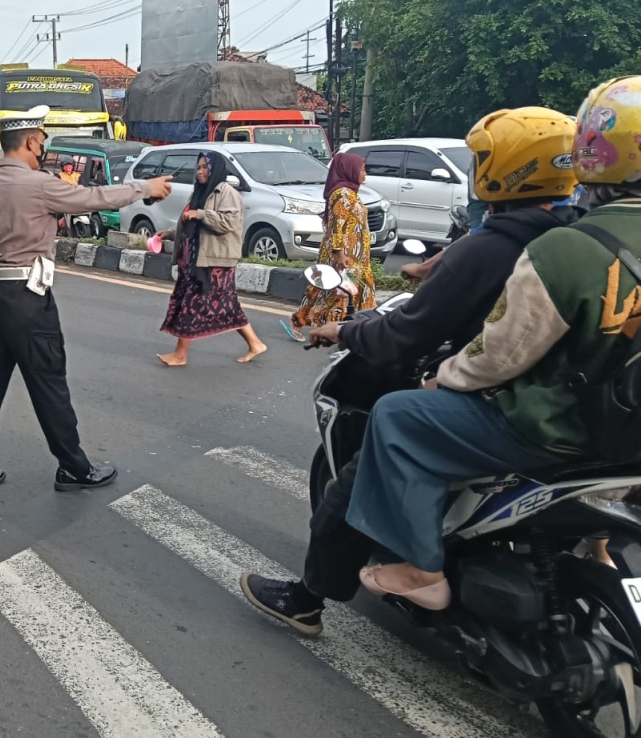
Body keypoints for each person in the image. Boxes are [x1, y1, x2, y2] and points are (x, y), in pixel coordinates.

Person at [240, 105, 583, 633]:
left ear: (506, 169)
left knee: (374, 452)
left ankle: (309, 599)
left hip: (510, 409)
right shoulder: (578, 239)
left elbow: (405, 335)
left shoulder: (491, 250)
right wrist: (436, 265)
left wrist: (345, 331)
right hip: (579, 410)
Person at [337, 78, 641, 608]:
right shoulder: (547, 232)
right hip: (629, 436)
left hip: (562, 432)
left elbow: (500, 353)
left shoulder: (568, 248)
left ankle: (422, 571)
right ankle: (597, 550)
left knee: (397, 416)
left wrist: (441, 379)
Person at [0, 105, 173, 494]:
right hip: (28, 298)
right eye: (42, 141)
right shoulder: (39, 185)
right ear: (30, 142)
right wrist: (144, 188)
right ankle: (73, 467)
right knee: (49, 380)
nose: (43, 148)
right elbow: (93, 197)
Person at [156, 151, 266, 366]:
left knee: (191, 304)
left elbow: (228, 223)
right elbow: (190, 224)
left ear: (216, 169)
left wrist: (201, 214)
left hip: (214, 262)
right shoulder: (199, 192)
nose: (200, 172)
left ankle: (180, 355)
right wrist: (169, 234)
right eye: (198, 168)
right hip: (195, 260)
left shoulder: (226, 192)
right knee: (227, 306)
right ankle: (255, 344)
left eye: (205, 167)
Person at [283, 152, 375, 341]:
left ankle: (358, 329)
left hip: (357, 256)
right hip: (344, 255)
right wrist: (339, 254)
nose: (365, 173)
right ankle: (300, 320)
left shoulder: (351, 193)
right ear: (349, 170)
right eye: (362, 169)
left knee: (357, 291)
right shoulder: (341, 194)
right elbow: (336, 226)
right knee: (332, 292)